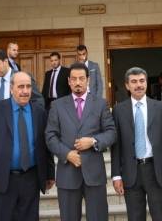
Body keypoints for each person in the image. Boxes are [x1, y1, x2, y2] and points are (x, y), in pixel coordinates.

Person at [0, 71, 55, 221]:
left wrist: (50, 174)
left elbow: (45, 146)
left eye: (28, 87)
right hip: (1, 179)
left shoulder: (39, 112)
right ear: (11, 88)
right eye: (21, 87)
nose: (25, 91)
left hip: (31, 180)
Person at [45, 62, 116, 221]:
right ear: (69, 81)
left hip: (94, 175)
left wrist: (93, 141)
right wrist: (67, 154)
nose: (78, 82)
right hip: (67, 174)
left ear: (88, 80)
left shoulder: (100, 103)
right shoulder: (57, 105)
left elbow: (111, 132)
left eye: (81, 78)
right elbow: (50, 136)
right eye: (74, 79)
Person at [111, 67, 162, 221]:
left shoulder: (160, 108)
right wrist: (116, 175)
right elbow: (116, 146)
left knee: (160, 216)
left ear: (146, 83)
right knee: (135, 217)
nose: (138, 85)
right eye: (134, 82)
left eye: (141, 81)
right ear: (127, 85)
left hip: (156, 171)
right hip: (131, 172)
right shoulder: (118, 110)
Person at [0, 49, 44, 140]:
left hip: (21, 129)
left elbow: (38, 101)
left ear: (6, 61)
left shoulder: (22, 77)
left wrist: (30, 121)